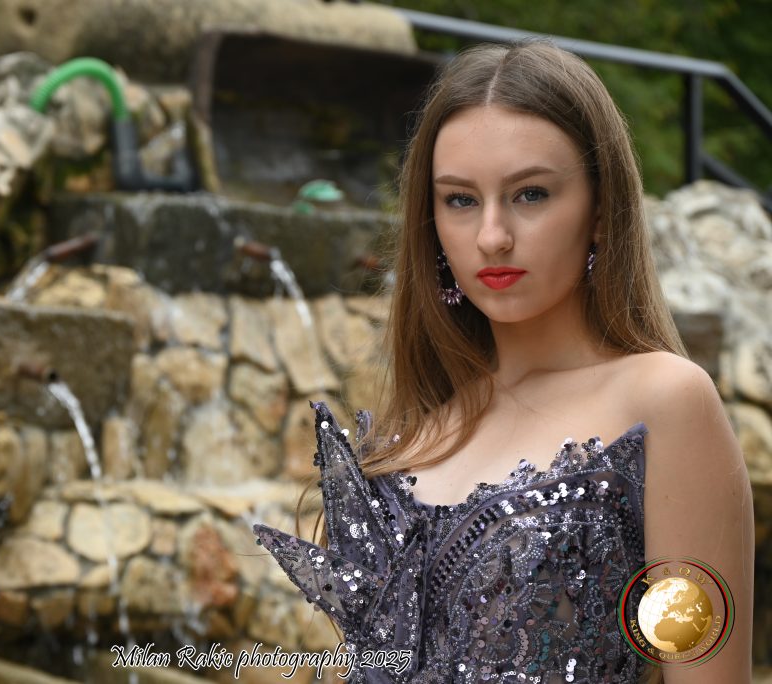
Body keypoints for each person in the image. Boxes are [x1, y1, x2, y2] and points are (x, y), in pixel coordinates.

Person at [254, 39, 754, 683]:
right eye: (460, 200)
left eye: (531, 194)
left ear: (601, 211)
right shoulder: (415, 434)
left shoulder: (663, 402)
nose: (492, 236)